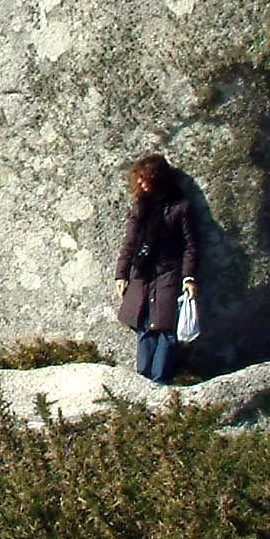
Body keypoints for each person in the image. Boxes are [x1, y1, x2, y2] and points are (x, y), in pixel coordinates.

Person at [112, 153, 198, 384]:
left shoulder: (180, 207)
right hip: (142, 274)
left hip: (168, 274)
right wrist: (121, 274)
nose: (140, 183)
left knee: (165, 328)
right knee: (144, 327)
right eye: (138, 178)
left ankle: (160, 382)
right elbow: (129, 243)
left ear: (157, 178)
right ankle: (143, 381)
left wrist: (188, 277)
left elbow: (190, 246)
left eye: (144, 177)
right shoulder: (141, 207)